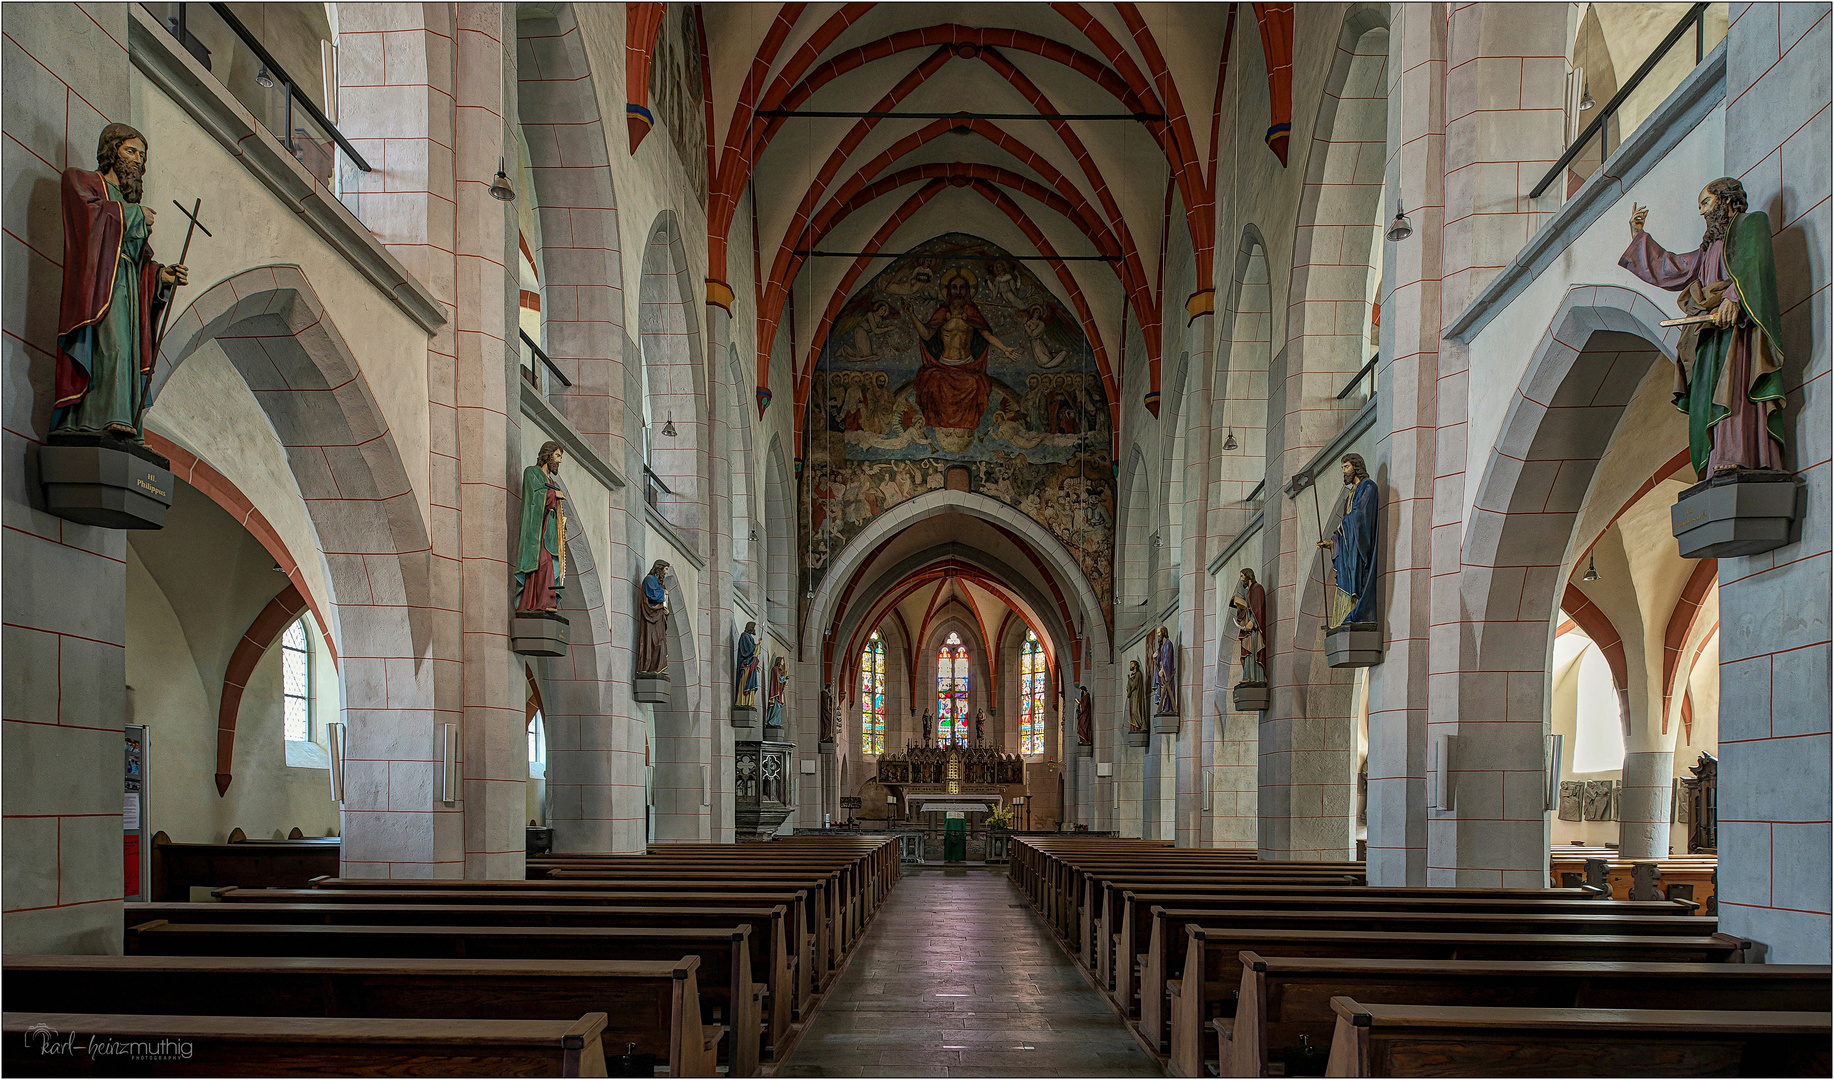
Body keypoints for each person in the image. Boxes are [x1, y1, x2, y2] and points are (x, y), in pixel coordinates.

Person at [1620, 177, 1786, 476]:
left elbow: (1754, 263)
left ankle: (1738, 452)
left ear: (1725, 199)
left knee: (1734, 386)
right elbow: (1673, 268)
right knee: (1707, 396)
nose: (1702, 212)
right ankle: (1715, 455)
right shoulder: (1709, 251)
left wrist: (1733, 300)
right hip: (1709, 332)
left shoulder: (1752, 224)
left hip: (1738, 329)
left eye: (1705, 203)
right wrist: (1638, 236)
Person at [53, 124, 188, 440]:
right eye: (131, 151)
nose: (138, 161)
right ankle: (96, 417)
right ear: (110, 151)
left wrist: (160, 277)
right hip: (101, 285)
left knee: (128, 353)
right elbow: (88, 219)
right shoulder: (81, 180)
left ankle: (125, 420)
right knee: (109, 346)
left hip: (130, 287)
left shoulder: (131, 205)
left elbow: (140, 263)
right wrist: (135, 215)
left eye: (142, 156)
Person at [908, 268, 1021, 439]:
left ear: (968, 291)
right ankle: (944, 427)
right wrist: (912, 315)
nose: (958, 292)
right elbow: (926, 334)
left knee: (976, 383)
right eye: (954, 287)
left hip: (967, 364)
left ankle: (964, 428)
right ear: (948, 290)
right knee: (933, 380)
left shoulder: (972, 314)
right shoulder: (941, 314)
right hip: (944, 363)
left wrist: (1005, 348)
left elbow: (987, 335)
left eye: (962, 288)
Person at [1317, 454, 1379, 628]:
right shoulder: (1350, 495)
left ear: (1357, 466)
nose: (1344, 471)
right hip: (1348, 549)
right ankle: (1345, 615)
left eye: (1346, 467)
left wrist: (1344, 524)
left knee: (1357, 581)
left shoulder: (1368, 487)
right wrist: (1332, 543)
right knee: (1345, 583)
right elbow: (1348, 522)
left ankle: (1357, 612)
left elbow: (1361, 517)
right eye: (1343, 468)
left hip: (1359, 550)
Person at [514, 442, 567, 613]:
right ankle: (536, 603)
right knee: (542, 562)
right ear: (548, 454)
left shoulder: (552, 481)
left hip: (550, 534)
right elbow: (533, 497)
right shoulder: (532, 473)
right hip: (536, 533)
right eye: (557, 456)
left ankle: (546, 603)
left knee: (551, 565)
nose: (559, 461)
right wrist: (553, 495)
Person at [1231, 568, 1268, 684]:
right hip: (1248, 629)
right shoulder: (1248, 592)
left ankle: (1256, 677)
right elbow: (1249, 608)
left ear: (1248, 576)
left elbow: (1258, 609)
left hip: (1255, 630)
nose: (1241, 579)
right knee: (1246, 654)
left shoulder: (1258, 589)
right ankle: (1248, 676)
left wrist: (1252, 622)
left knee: (1252, 652)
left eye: (1242, 576)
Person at [637, 561, 671, 674]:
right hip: (651, 616)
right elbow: (652, 595)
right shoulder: (649, 579)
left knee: (661, 641)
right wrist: (663, 593)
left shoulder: (658, 583)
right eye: (665, 569)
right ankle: (650, 666)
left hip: (659, 616)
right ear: (659, 568)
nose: (666, 572)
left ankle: (658, 667)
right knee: (653, 641)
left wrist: (665, 610)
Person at [1152, 625, 1178, 716]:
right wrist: (1155, 658)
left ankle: (1168, 708)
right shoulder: (1161, 646)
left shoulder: (1168, 644)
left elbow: (1167, 658)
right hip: (1161, 674)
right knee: (1162, 690)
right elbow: (1159, 659)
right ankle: (1163, 708)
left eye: (1159, 633)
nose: (1158, 635)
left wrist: (1163, 669)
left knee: (1167, 690)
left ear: (1164, 633)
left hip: (1167, 673)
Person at [734, 621, 760, 708]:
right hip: (746, 666)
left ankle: (749, 702)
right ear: (751, 627)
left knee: (751, 683)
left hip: (751, 665)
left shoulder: (749, 637)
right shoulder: (744, 636)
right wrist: (758, 645)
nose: (755, 629)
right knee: (745, 683)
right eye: (754, 627)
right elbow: (749, 651)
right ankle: (743, 702)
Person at [1126, 660, 1148, 734]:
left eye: (1131, 664)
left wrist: (1130, 680)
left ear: (1135, 665)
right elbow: (1128, 687)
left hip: (1137, 695)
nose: (1130, 666)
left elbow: (1134, 685)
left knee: (1136, 711)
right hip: (1132, 696)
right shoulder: (1133, 675)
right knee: (1132, 712)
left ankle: (1139, 725)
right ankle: (1134, 727)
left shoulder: (1138, 674)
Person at [766, 656, 788, 727]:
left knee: (777, 707)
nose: (783, 662)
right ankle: (772, 721)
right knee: (776, 707)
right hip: (776, 692)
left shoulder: (779, 670)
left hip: (779, 692)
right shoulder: (775, 669)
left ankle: (775, 722)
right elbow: (778, 680)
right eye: (782, 661)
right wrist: (784, 678)